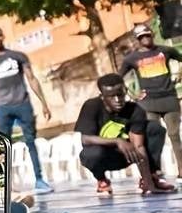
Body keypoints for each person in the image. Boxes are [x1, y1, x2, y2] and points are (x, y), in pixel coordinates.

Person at [75, 74, 175, 195]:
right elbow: (85, 139)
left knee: (155, 129)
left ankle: (152, 177)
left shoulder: (135, 110)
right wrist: (117, 141)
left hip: (129, 155)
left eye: (120, 94)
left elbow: (139, 146)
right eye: (111, 97)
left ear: (125, 91)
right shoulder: (91, 106)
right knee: (90, 154)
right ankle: (102, 180)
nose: (118, 100)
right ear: (102, 97)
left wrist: (148, 182)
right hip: (105, 156)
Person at [0, 26, 53, 194]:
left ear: (3, 36)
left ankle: (39, 179)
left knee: (31, 141)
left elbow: (32, 79)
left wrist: (44, 103)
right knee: (5, 146)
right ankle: (8, 185)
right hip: (3, 108)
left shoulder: (18, 57)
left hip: (23, 104)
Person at [118, 22, 182, 180]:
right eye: (141, 37)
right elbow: (118, 79)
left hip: (169, 99)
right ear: (137, 39)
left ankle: (181, 170)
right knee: (153, 136)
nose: (145, 38)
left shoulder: (165, 50)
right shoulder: (131, 58)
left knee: (175, 136)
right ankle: (154, 172)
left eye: (147, 35)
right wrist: (132, 94)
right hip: (148, 103)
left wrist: (180, 74)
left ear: (152, 34)